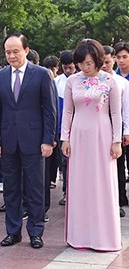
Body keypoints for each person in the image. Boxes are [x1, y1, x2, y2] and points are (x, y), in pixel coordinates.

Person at [0, 33, 56, 249]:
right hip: (8, 141)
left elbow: (50, 110)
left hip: (34, 141)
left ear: (26, 50)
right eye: (8, 52)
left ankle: (36, 231)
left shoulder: (41, 74)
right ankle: (13, 231)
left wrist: (48, 139)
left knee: (35, 188)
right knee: (11, 189)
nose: (11, 56)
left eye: (15, 51)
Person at [61, 39, 122, 251]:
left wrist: (116, 141)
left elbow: (116, 113)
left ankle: (104, 237)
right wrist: (65, 138)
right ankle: (80, 236)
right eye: (81, 63)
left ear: (97, 60)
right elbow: (68, 111)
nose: (84, 67)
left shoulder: (110, 81)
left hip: (102, 136)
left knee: (102, 184)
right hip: (78, 136)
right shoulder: (72, 81)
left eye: (88, 63)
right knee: (80, 185)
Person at [102, 45, 129, 217]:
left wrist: (126, 130)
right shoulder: (96, 81)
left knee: (119, 166)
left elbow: (124, 109)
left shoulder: (121, 83)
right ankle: (113, 199)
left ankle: (119, 198)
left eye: (107, 61)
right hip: (103, 126)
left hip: (119, 126)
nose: (105, 65)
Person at [55, 50, 77, 206]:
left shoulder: (81, 80)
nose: (68, 71)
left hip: (80, 127)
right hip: (63, 129)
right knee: (65, 162)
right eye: (65, 68)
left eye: (70, 67)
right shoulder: (57, 82)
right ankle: (66, 192)